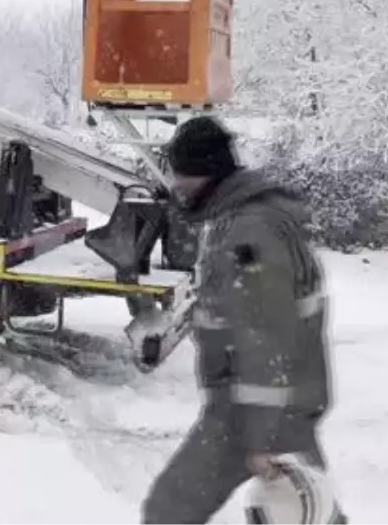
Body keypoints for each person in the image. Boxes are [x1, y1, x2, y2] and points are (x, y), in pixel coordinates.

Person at [141, 115, 346, 524]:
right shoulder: (238, 217)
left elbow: (265, 338)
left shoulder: (250, 231)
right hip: (269, 407)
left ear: (209, 173)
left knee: (169, 510)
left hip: (257, 413)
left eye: (184, 176)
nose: (178, 186)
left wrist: (260, 437)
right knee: (311, 514)